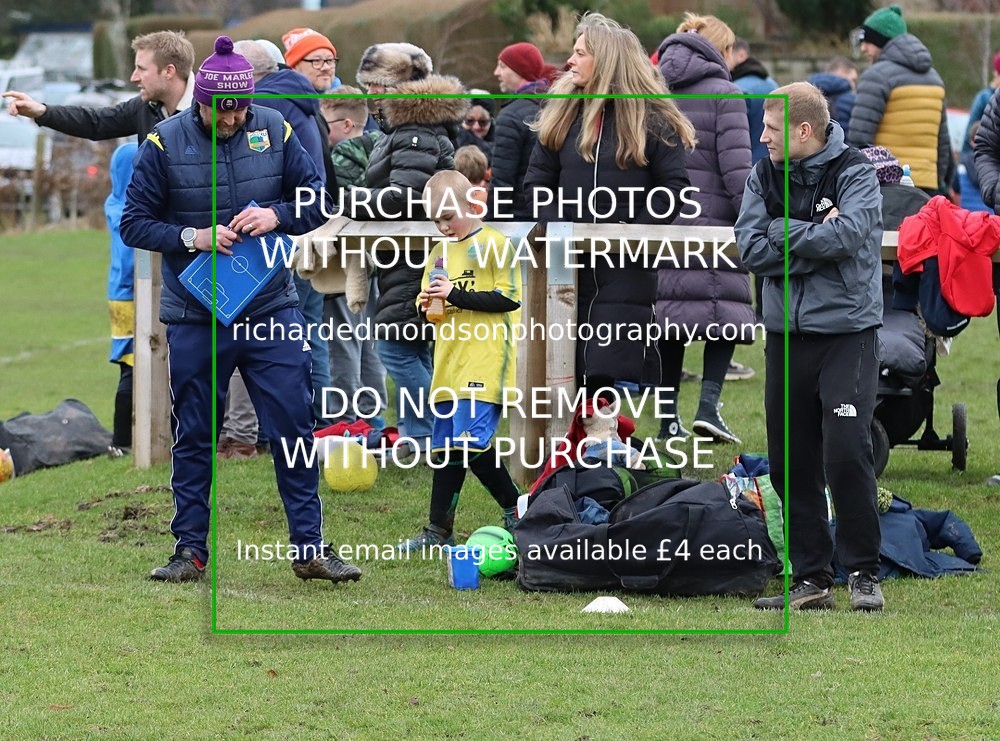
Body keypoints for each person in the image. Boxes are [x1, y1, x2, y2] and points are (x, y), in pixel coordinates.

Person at [120, 36, 360, 585]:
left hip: (270, 306)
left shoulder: (274, 127)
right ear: (199, 99)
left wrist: (277, 215)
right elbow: (133, 222)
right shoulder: (161, 142)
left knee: (295, 429)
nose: (230, 118)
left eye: (239, 107)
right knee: (197, 434)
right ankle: (191, 552)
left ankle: (310, 549)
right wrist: (191, 235)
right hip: (195, 313)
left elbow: (317, 199)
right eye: (220, 107)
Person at [735, 81, 884, 612]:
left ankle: (864, 572)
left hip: (848, 334)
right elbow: (749, 247)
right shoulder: (762, 175)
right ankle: (811, 577)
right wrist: (801, 234)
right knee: (789, 460)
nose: (762, 137)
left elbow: (848, 240)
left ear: (803, 130)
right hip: (785, 336)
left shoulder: (857, 173)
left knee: (846, 450)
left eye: (771, 129)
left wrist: (782, 232)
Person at [524, 12, 695, 396]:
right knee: (562, 369)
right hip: (565, 265)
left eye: (580, 53)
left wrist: (630, 232)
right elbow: (536, 184)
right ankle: (572, 451)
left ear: (605, 61)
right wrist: (563, 230)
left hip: (625, 268)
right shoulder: (561, 114)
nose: (569, 61)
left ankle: (602, 445)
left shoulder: (652, 119)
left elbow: (675, 188)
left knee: (605, 370)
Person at [397, 170, 522, 551]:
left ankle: (517, 509)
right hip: (449, 364)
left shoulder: (496, 244)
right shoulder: (439, 253)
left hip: (486, 360)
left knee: (470, 444)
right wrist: (424, 305)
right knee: (446, 449)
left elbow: (509, 299)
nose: (443, 226)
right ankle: (438, 530)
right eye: (436, 221)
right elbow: (429, 303)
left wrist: (455, 294)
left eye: (448, 218)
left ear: (473, 204)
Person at [353, 42, 467, 453]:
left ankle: (445, 429)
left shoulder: (414, 133)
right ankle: (420, 435)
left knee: (395, 350)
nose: (370, 97)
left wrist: (351, 202)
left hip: (415, 258)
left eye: (377, 87)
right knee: (413, 349)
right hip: (407, 256)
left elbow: (405, 197)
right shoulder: (405, 131)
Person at [655, 13, 755, 445]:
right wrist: (751, 217)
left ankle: (666, 420)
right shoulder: (726, 93)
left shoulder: (653, 91)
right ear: (719, 50)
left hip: (661, 221)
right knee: (724, 314)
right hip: (713, 221)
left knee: (670, 318)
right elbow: (736, 169)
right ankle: (708, 408)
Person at [317, 89, 387, 427]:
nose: (321, 130)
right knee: (368, 342)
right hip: (375, 259)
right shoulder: (381, 149)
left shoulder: (340, 157)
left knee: (341, 341)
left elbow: (334, 209)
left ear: (346, 124)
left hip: (343, 262)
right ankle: (372, 418)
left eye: (324, 123)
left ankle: (344, 417)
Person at [4, 30, 194, 143]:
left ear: (168, 71)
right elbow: (95, 122)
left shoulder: (210, 111)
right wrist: (42, 111)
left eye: (141, 69)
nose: (133, 77)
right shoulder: (144, 108)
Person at [848, 4, 954, 198]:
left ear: (881, 41)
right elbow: (943, 141)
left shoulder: (876, 76)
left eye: (868, 41)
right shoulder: (935, 78)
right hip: (927, 187)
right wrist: (939, 183)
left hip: (888, 183)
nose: (863, 48)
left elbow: (859, 139)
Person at [104, 142, 139, 458]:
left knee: (129, 365)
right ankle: (121, 440)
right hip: (130, 294)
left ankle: (124, 437)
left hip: (118, 294)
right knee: (132, 366)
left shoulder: (114, 202)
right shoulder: (129, 212)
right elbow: (132, 261)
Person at [491, 41, 549, 220]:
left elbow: (502, 181)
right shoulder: (556, 108)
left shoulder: (510, 117)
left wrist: (491, 224)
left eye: (502, 66)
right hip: (551, 215)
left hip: (517, 219)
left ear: (519, 70)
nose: (496, 73)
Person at [728, 37, 778, 164]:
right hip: (775, 163)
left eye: (726, 52)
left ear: (741, 55)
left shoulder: (737, 91)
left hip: (748, 166)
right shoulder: (773, 85)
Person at [808, 56, 858, 140]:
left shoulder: (805, 95)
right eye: (853, 80)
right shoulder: (852, 99)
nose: (854, 85)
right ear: (840, 73)